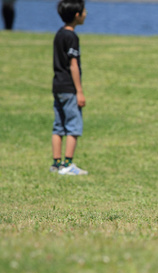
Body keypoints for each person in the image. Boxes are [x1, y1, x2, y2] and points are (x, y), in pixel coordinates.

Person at [50, 0, 88, 175]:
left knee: (58, 127)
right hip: (69, 87)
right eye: (84, 11)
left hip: (57, 85)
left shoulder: (59, 34)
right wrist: (79, 91)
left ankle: (56, 164)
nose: (86, 13)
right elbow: (73, 65)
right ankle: (68, 165)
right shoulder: (72, 37)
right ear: (77, 15)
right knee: (73, 126)